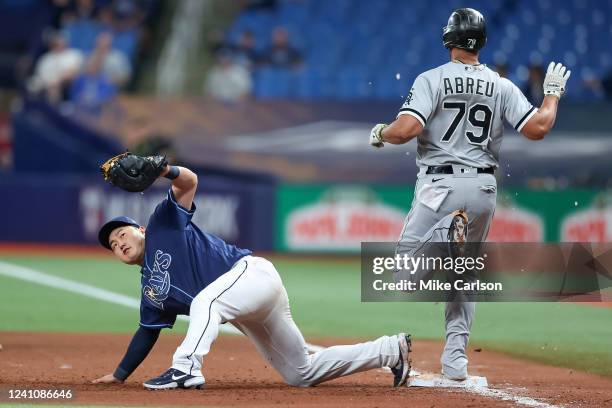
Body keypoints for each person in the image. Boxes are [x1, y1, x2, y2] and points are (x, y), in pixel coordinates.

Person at [369, 8, 570, 381]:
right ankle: (455, 361)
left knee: (401, 274)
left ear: (449, 39)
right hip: (483, 188)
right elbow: (538, 127)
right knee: (464, 276)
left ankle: (445, 236)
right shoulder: (501, 84)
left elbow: (407, 128)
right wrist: (553, 96)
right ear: (482, 41)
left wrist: (381, 132)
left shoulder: (433, 79)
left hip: (439, 186)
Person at [92, 161, 412, 389]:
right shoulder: (151, 291)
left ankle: (185, 369)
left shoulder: (163, 223)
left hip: (251, 275)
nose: (118, 242)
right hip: (247, 309)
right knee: (300, 373)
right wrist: (119, 375)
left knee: (207, 302)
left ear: (141, 230)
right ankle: (389, 350)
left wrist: (164, 170)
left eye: (122, 233)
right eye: (113, 243)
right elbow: (147, 332)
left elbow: (189, 182)